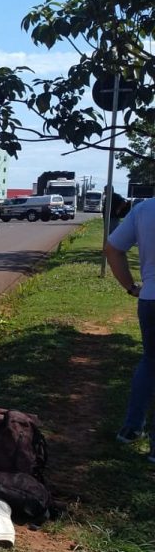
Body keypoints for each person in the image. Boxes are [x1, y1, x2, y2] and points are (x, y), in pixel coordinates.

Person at [105, 196, 155, 463]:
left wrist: (130, 286)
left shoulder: (144, 209)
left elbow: (112, 248)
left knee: (149, 361)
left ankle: (132, 427)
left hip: (150, 298)